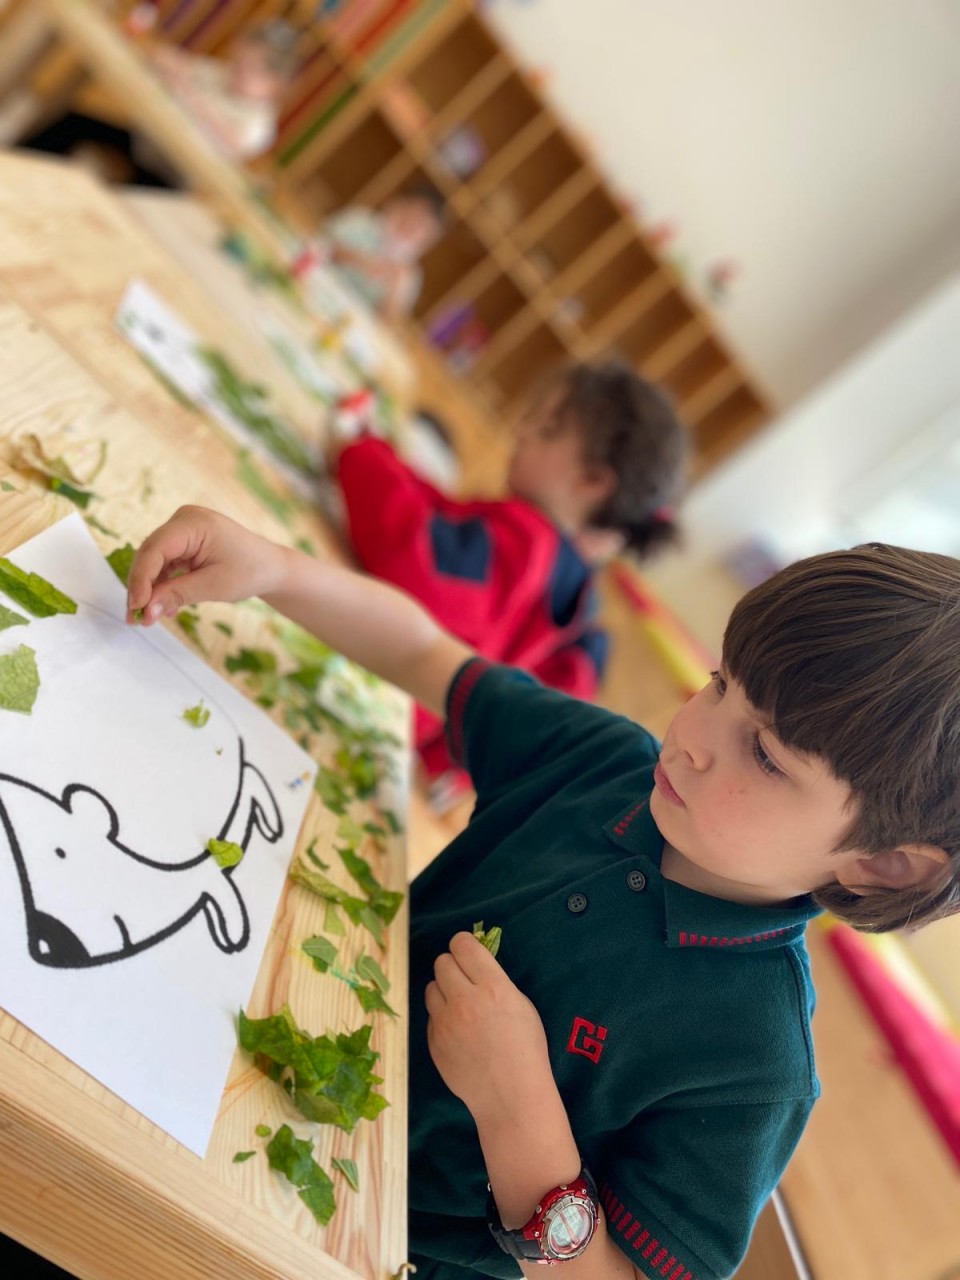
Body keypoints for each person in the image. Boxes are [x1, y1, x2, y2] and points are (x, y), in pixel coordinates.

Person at [127, 508, 960, 1279]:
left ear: (884, 865)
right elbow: (426, 655)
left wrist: (515, 1106)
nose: (693, 735)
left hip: (350, 1251)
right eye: (718, 682)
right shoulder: (606, 763)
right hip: (244, 1060)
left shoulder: (757, 1064)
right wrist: (274, 570)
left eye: (767, 755)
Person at [331, 361, 686, 793]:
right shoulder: (577, 594)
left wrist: (358, 452)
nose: (522, 431)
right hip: (385, 729)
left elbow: (411, 555)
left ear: (592, 481)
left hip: (355, 694)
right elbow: (444, 517)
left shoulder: (527, 541)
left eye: (546, 430)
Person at [19, 20, 299, 182]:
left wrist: (188, 91)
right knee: (74, 122)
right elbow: (181, 67)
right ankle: (17, 167)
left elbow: (231, 143)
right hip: (146, 144)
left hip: (171, 175)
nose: (236, 72)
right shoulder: (220, 74)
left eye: (247, 70)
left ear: (273, 85)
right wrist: (167, 61)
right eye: (236, 61)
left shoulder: (259, 124)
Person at [322, 186, 447, 321]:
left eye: (422, 230)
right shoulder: (361, 220)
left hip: (346, 319)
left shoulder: (411, 275)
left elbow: (387, 322)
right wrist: (359, 260)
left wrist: (395, 292)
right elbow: (320, 245)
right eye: (412, 217)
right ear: (398, 205)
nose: (411, 229)